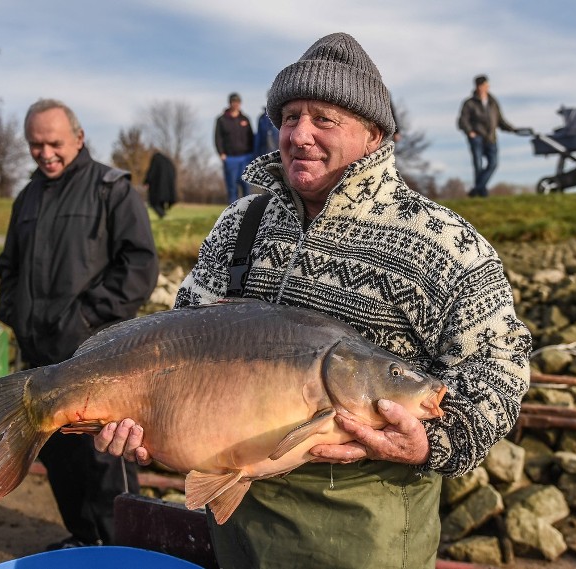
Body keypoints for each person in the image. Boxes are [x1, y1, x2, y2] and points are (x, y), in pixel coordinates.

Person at [96, 33, 530, 568]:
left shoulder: (441, 242)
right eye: (290, 116)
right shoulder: (240, 224)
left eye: (324, 118)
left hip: (364, 532)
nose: (300, 134)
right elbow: (181, 345)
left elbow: (500, 375)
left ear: (374, 135)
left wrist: (428, 443)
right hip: (240, 526)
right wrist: (145, 421)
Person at [0, 98, 159, 550]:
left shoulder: (112, 189)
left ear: (79, 138)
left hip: (97, 364)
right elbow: (8, 266)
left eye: (54, 143)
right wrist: (13, 313)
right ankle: (83, 538)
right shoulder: (26, 197)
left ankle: (121, 550)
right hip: (40, 357)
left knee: (107, 463)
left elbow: (140, 266)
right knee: (59, 462)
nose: (44, 153)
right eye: (35, 145)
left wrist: (87, 319)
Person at [458, 74, 519, 197]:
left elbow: (500, 120)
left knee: (493, 163)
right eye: (483, 85)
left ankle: (477, 189)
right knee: (478, 165)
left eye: (487, 85)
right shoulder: (469, 103)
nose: (486, 87)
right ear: (478, 87)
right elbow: (462, 121)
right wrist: (470, 132)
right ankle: (482, 192)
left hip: (491, 138)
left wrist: (512, 129)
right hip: (477, 138)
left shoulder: (492, 102)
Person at [214, 92, 254, 203]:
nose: (235, 104)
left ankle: (248, 210)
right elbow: (217, 138)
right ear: (230, 103)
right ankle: (233, 213)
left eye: (237, 102)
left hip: (246, 157)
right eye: (233, 102)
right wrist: (221, 153)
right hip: (230, 158)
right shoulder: (221, 120)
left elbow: (251, 136)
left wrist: (252, 154)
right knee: (232, 187)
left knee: (246, 185)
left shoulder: (245, 119)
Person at [144, 150, 177, 219]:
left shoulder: (156, 159)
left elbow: (152, 171)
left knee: (153, 203)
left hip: (157, 188)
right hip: (167, 188)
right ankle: (163, 216)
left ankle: (163, 215)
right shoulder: (168, 161)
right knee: (161, 203)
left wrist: (147, 181)